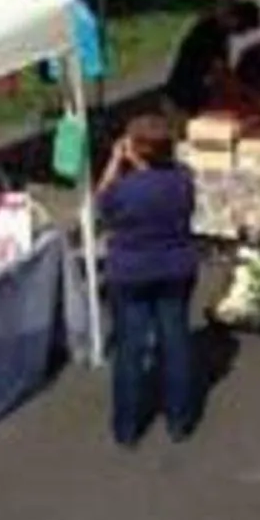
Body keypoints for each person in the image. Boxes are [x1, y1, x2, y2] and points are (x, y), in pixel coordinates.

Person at [96, 110, 201, 445]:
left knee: (130, 347)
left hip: (131, 273)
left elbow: (101, 202)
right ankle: (179, 420)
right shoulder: (183, 179)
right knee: (176, 340)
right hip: (175, 267)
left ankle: (127, 429)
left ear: (134, 148)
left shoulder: (125, 190)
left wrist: (115, 161)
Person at [164, 0, 260, 119]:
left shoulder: (220, 33)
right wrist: (249, 95)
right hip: (181, 99)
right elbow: (220, 73)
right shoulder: (210, 34)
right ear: (236, 19)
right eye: (244, 28)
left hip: (192, 97)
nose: (242, 34)